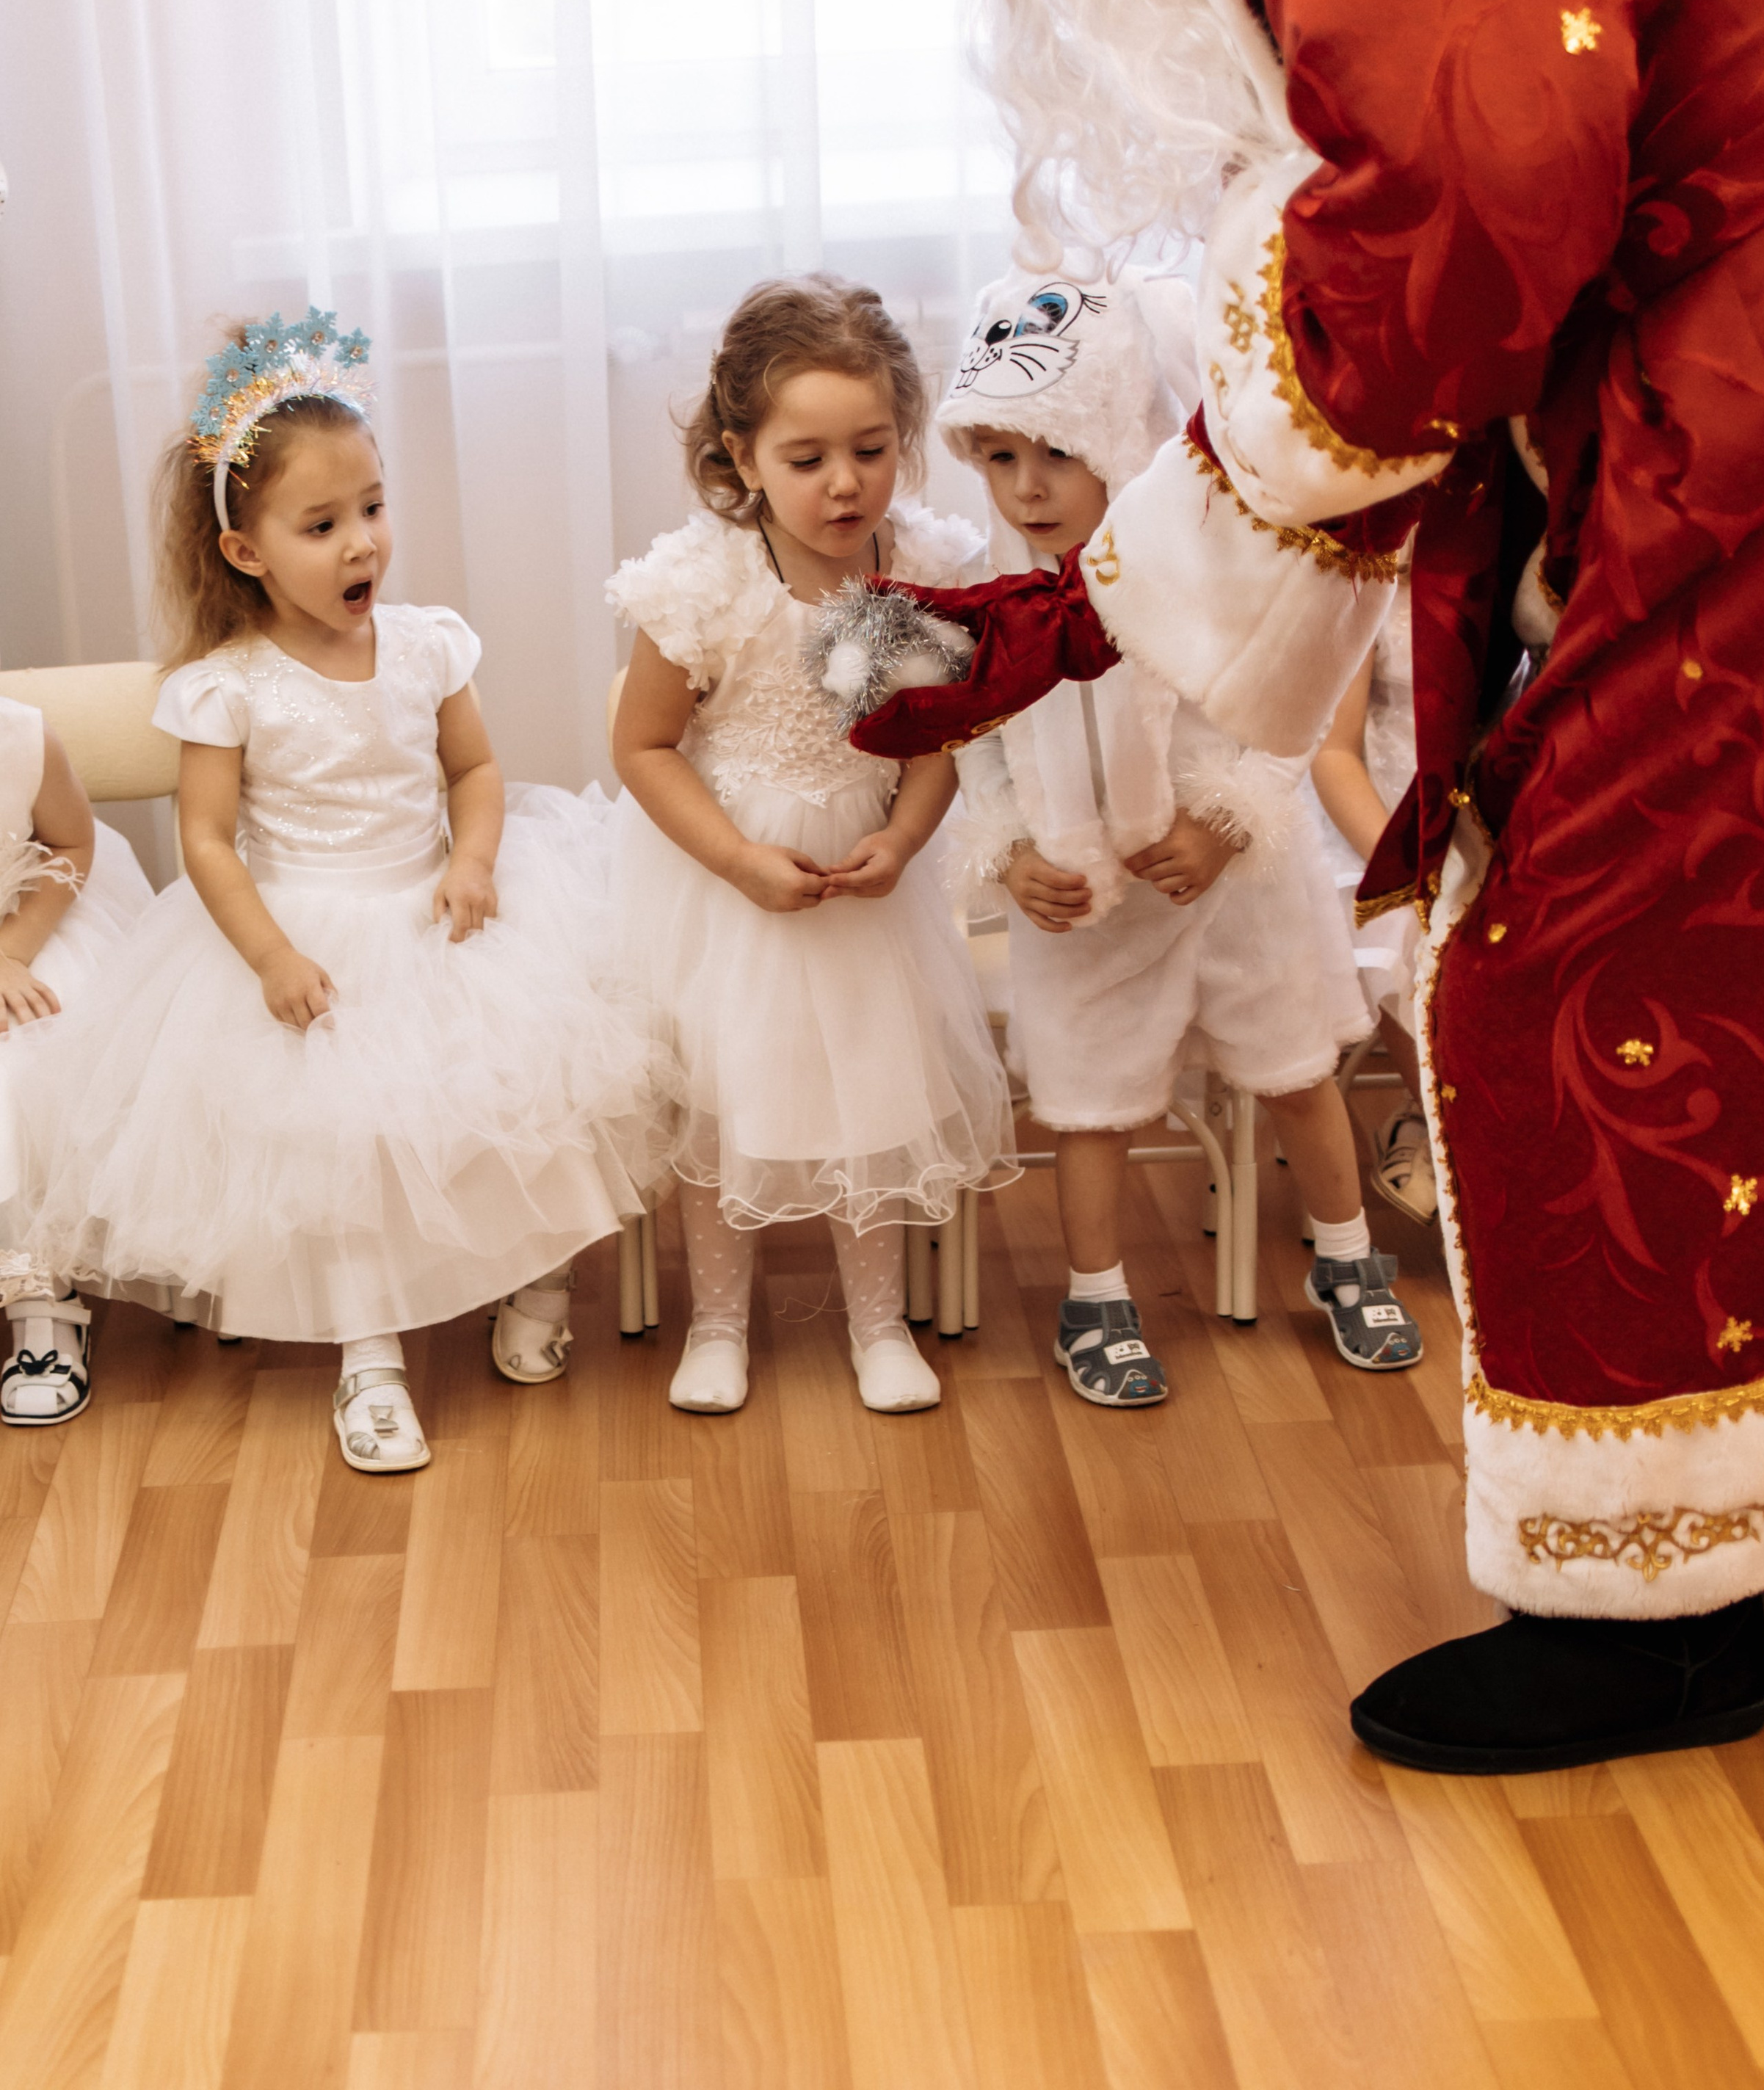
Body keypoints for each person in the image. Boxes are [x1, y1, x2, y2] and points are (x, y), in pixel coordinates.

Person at [856, 0, 1764, 1770]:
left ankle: (1654, 1619)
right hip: (1758, 381)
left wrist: (1234, 484)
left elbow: (1486, 175)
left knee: (1578, 953)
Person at [0, 311, 657, 1470]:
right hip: (303, 927)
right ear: (247, 551)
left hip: (434, 905)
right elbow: (205, 841)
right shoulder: (227, 685)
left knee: (513, 1101)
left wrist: (474, 857)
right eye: (323, 525)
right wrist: (268, 956)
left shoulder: (426, 645)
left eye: (373, 509)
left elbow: (475, 769)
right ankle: (370, 1359)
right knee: (340, 1151)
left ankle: (535, 1284)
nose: (363, 544)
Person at [941, 263, 1410, 1398]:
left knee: (1298, 1065)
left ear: (1126, 436)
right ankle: (1094, 1295)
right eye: (1001, 458)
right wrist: (1009, 854)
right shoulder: (989, 594)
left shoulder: (1212, 567)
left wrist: (1228, 820)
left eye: (1058, 453)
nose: (1028, 488)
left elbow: (1289, 707)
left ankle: (1345, 1253)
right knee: (1089, 1100)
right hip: (1086, 891)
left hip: (1236, 874)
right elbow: (975, 743)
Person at [607, 275, 1017, 1417]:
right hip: (729, 876)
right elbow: (643, 746)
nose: (846, 483)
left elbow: (942, 737)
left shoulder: (923, 564)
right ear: (740, 456)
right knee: (723, 1095)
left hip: (866, 872)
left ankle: (879, 1323)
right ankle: (720, 1321)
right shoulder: (700, 583)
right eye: (806, 458)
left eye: (873, 448)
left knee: (871, 1088)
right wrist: (738, 859)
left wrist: (901, 837)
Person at [0, 696, 154, 1423]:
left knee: (20, 1054)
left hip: (27, 923)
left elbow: (72, 844)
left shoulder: (19, 738)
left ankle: (41, 1295)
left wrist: (9, 954)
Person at [1311, 582, 1435, 1222]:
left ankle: (1430, 1129)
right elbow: (1334, 753)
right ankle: (1449, 1143)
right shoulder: (1369, 575)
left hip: (1510, 808)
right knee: (1402, 928)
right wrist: (1414, 875)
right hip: (1378, 820)